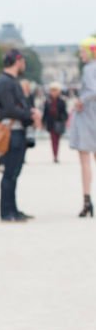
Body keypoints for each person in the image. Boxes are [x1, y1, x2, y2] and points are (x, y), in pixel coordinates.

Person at [0, 49, 40, 221]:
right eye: (23, 61)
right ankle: (7, 212)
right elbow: (10, 109)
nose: (24, 64)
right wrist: (30, 114)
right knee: (9, 173)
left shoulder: (7, 81)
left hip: (16, 130)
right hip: (12, 131)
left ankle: (13, 209)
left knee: (13, 173)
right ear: (17, 61)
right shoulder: (5, 82)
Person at [68, 36, 96, 217]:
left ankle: (87, 200)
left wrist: (80, 100)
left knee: (84, 161)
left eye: (82, 51)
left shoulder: (88, 69)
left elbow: (93, 90)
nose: (80, 54)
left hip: (88, 117)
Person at [42, 82, 68, 163]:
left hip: (59, 122)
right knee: (53, 139)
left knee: (57, 139)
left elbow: (65, 113)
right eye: (52, 90)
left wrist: (63, 119)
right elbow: (45, 112)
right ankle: (55, 155)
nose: (54, 92)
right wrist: (43, 122)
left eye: (55, 90)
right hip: (51, 123)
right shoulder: (47, 101)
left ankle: (56, 154)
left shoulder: (62, 101)